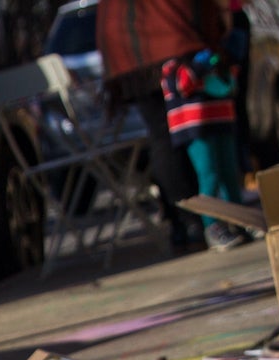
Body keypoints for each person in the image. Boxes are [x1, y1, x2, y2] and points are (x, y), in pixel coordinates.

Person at [98, 0, 231, 251]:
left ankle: (183, 222)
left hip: (128, 56)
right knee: (183, 135)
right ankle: (195, 218)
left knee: (163, 136)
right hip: (171, 50)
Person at [161, 49, 253, 249]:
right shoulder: (173, 63)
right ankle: (212, 227)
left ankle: (240, 221)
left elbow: (232, 80)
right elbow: (181, 85)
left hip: (221, 117)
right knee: (209, 175)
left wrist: (222, 60)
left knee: (230, 173)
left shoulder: (216, 50)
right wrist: (200, 63)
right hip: (195, 124)